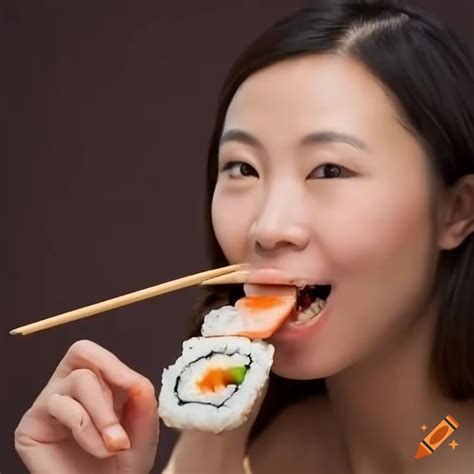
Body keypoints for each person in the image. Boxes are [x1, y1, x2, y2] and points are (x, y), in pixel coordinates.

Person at [14, 1, 474, 473]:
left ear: (456, 211)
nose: (268, 227)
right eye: (242, 167)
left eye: (330, 169)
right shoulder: (248, 455)